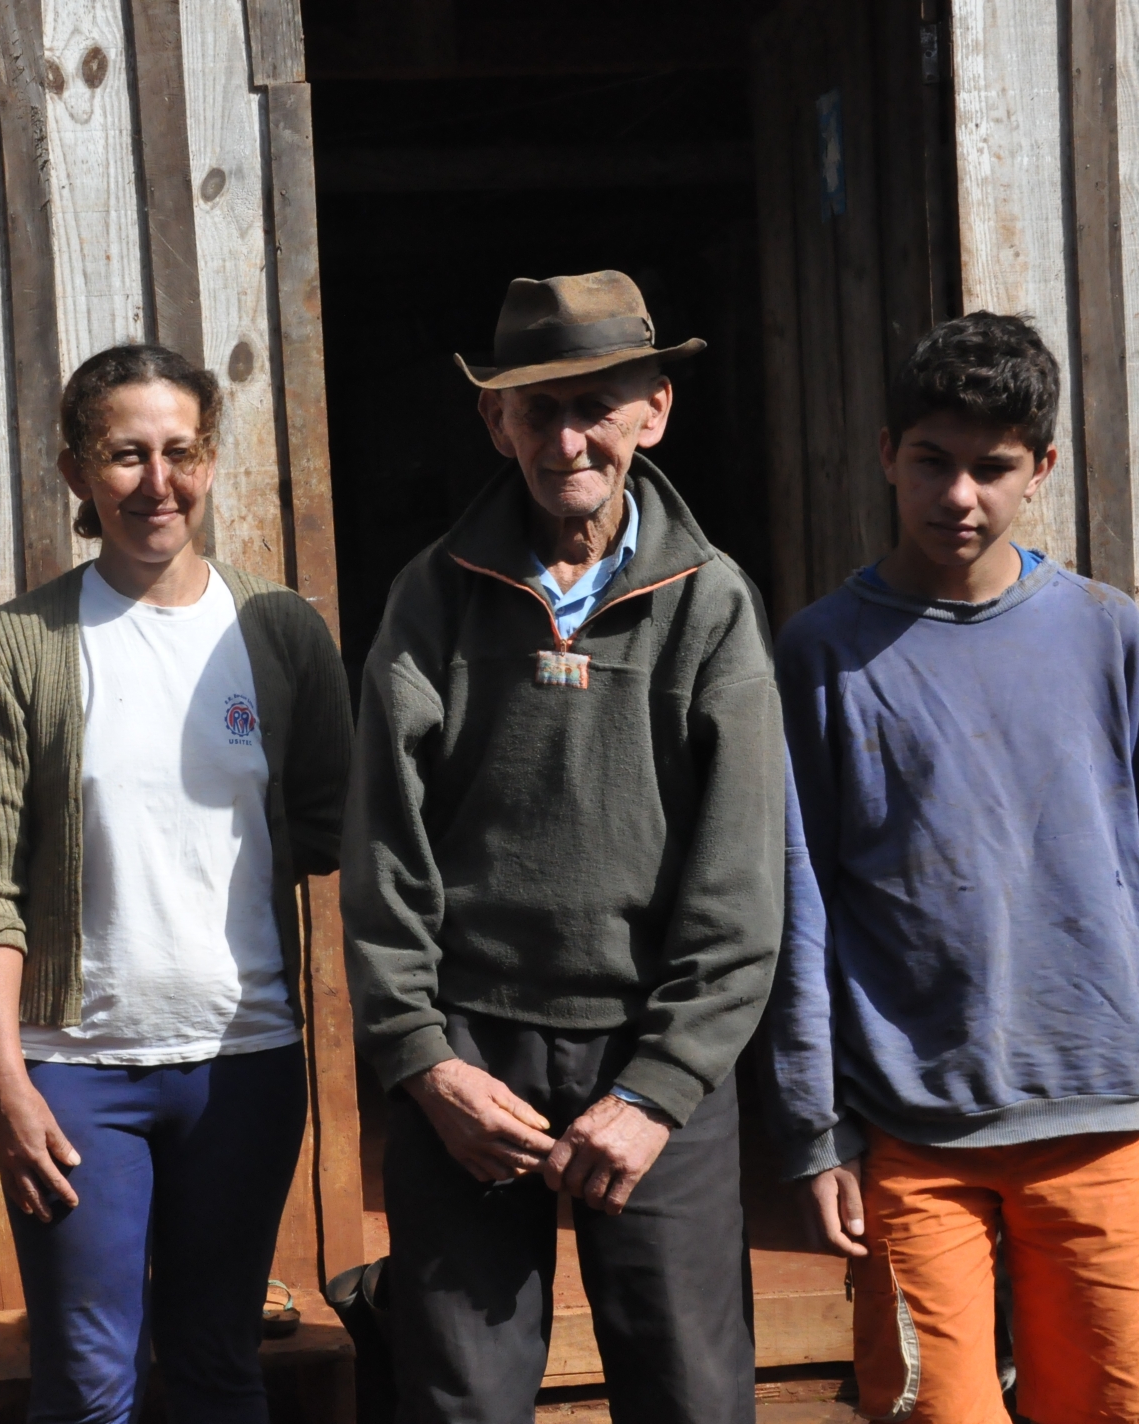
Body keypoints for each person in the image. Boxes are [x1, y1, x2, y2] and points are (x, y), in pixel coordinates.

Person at [765, 312, 1139, 1423]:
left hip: (1098, 1111)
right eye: (931, 461)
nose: (958, 496)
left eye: (992, 467)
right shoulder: (822, 651)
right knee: (937, 1408)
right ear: (886, 451)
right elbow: (800, 898)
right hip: (911, 1123)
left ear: (1041, 470)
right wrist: (812, 1120)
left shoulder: (1103, 632)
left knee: (1119, 1404)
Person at [344, 271, 784, 1424]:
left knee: (691, 1390)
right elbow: (381, 847)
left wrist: (659, 1085)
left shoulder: (711, 603)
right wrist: (421, 1060)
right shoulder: (431, 595)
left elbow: (740, 878)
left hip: (649, 1051)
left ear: (654, 408)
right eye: (536, 407)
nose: (568, 435)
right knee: (458, 1396)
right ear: (495, 421)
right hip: (470, 1053)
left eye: (596, 401)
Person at [0, 344, 352, 1424]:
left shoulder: (280, 633)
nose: (155, 482)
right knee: (86, 1379)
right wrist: (1, 1076)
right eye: (124, 455)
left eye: (179, 452)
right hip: (79, 1071)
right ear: (76, 471)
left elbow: (333, 822)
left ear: (210, 459)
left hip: (242, 1058)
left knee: (218, 1361)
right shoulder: (18, 644)